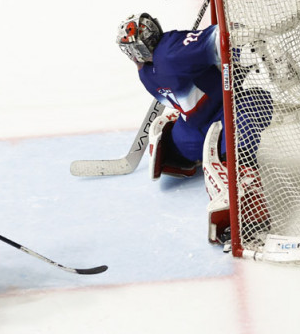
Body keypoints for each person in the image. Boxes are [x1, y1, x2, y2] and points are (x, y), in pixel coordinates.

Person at [116, 13, 274, 244]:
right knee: (256, 105)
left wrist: (239, 60)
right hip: (222, 119)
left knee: (241, 112)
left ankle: (177, 154)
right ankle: (242, 183)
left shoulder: (149, 71)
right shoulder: (168, 53)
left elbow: (215, 47)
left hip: (192, 133)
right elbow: (221, 40)